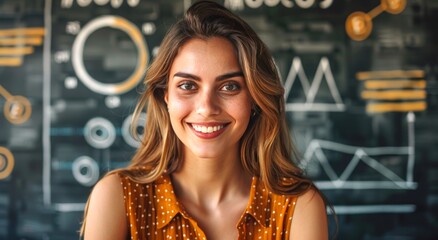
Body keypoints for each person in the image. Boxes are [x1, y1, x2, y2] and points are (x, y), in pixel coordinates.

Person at [80, 1, 331, 239]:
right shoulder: (118, 198)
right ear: (165, 95)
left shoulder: (298, 206)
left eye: (230, 86)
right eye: (188, 85)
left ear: (254, 97)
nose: (206, 108)